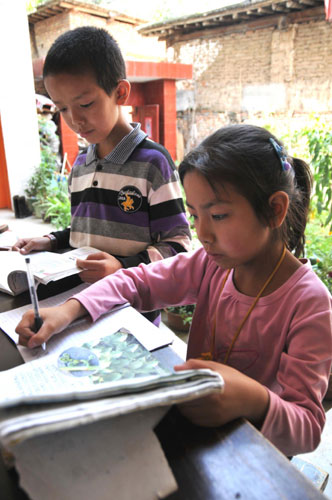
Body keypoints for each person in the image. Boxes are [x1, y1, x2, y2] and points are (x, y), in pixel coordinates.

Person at [16, 124, 332, 457]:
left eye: (219, 215)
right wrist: (70, 309)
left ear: (275, 209)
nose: (203, 233)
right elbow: (137, 281)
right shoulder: (211, 265)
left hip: (253, 458)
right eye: (195, 216)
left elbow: (307, 428)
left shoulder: (309, 304)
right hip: (194, 436)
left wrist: (255, 399)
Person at [13, 27, 191, 312]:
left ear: (119, 93)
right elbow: (85, 233)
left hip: (130, 311)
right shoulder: (82, 165)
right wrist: (48, 241)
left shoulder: (152, 163)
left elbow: (179, 245)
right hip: (78, 306)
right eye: (63, 109)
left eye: (85, 104)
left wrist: (122, 265)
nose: (75, 120)